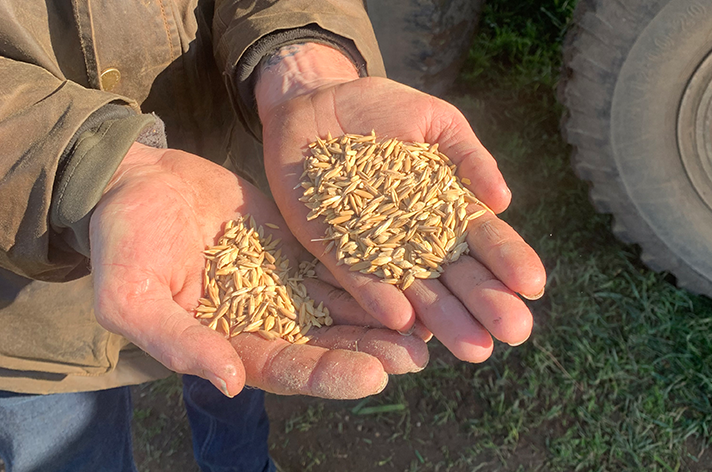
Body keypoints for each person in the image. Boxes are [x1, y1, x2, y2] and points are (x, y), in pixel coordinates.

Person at [0, 1, 546, 471]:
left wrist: (302, 56)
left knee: (238, 378)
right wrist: (88, 164)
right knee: (68, 450)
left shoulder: (245, 262)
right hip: (30, 324)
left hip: (237, 215)